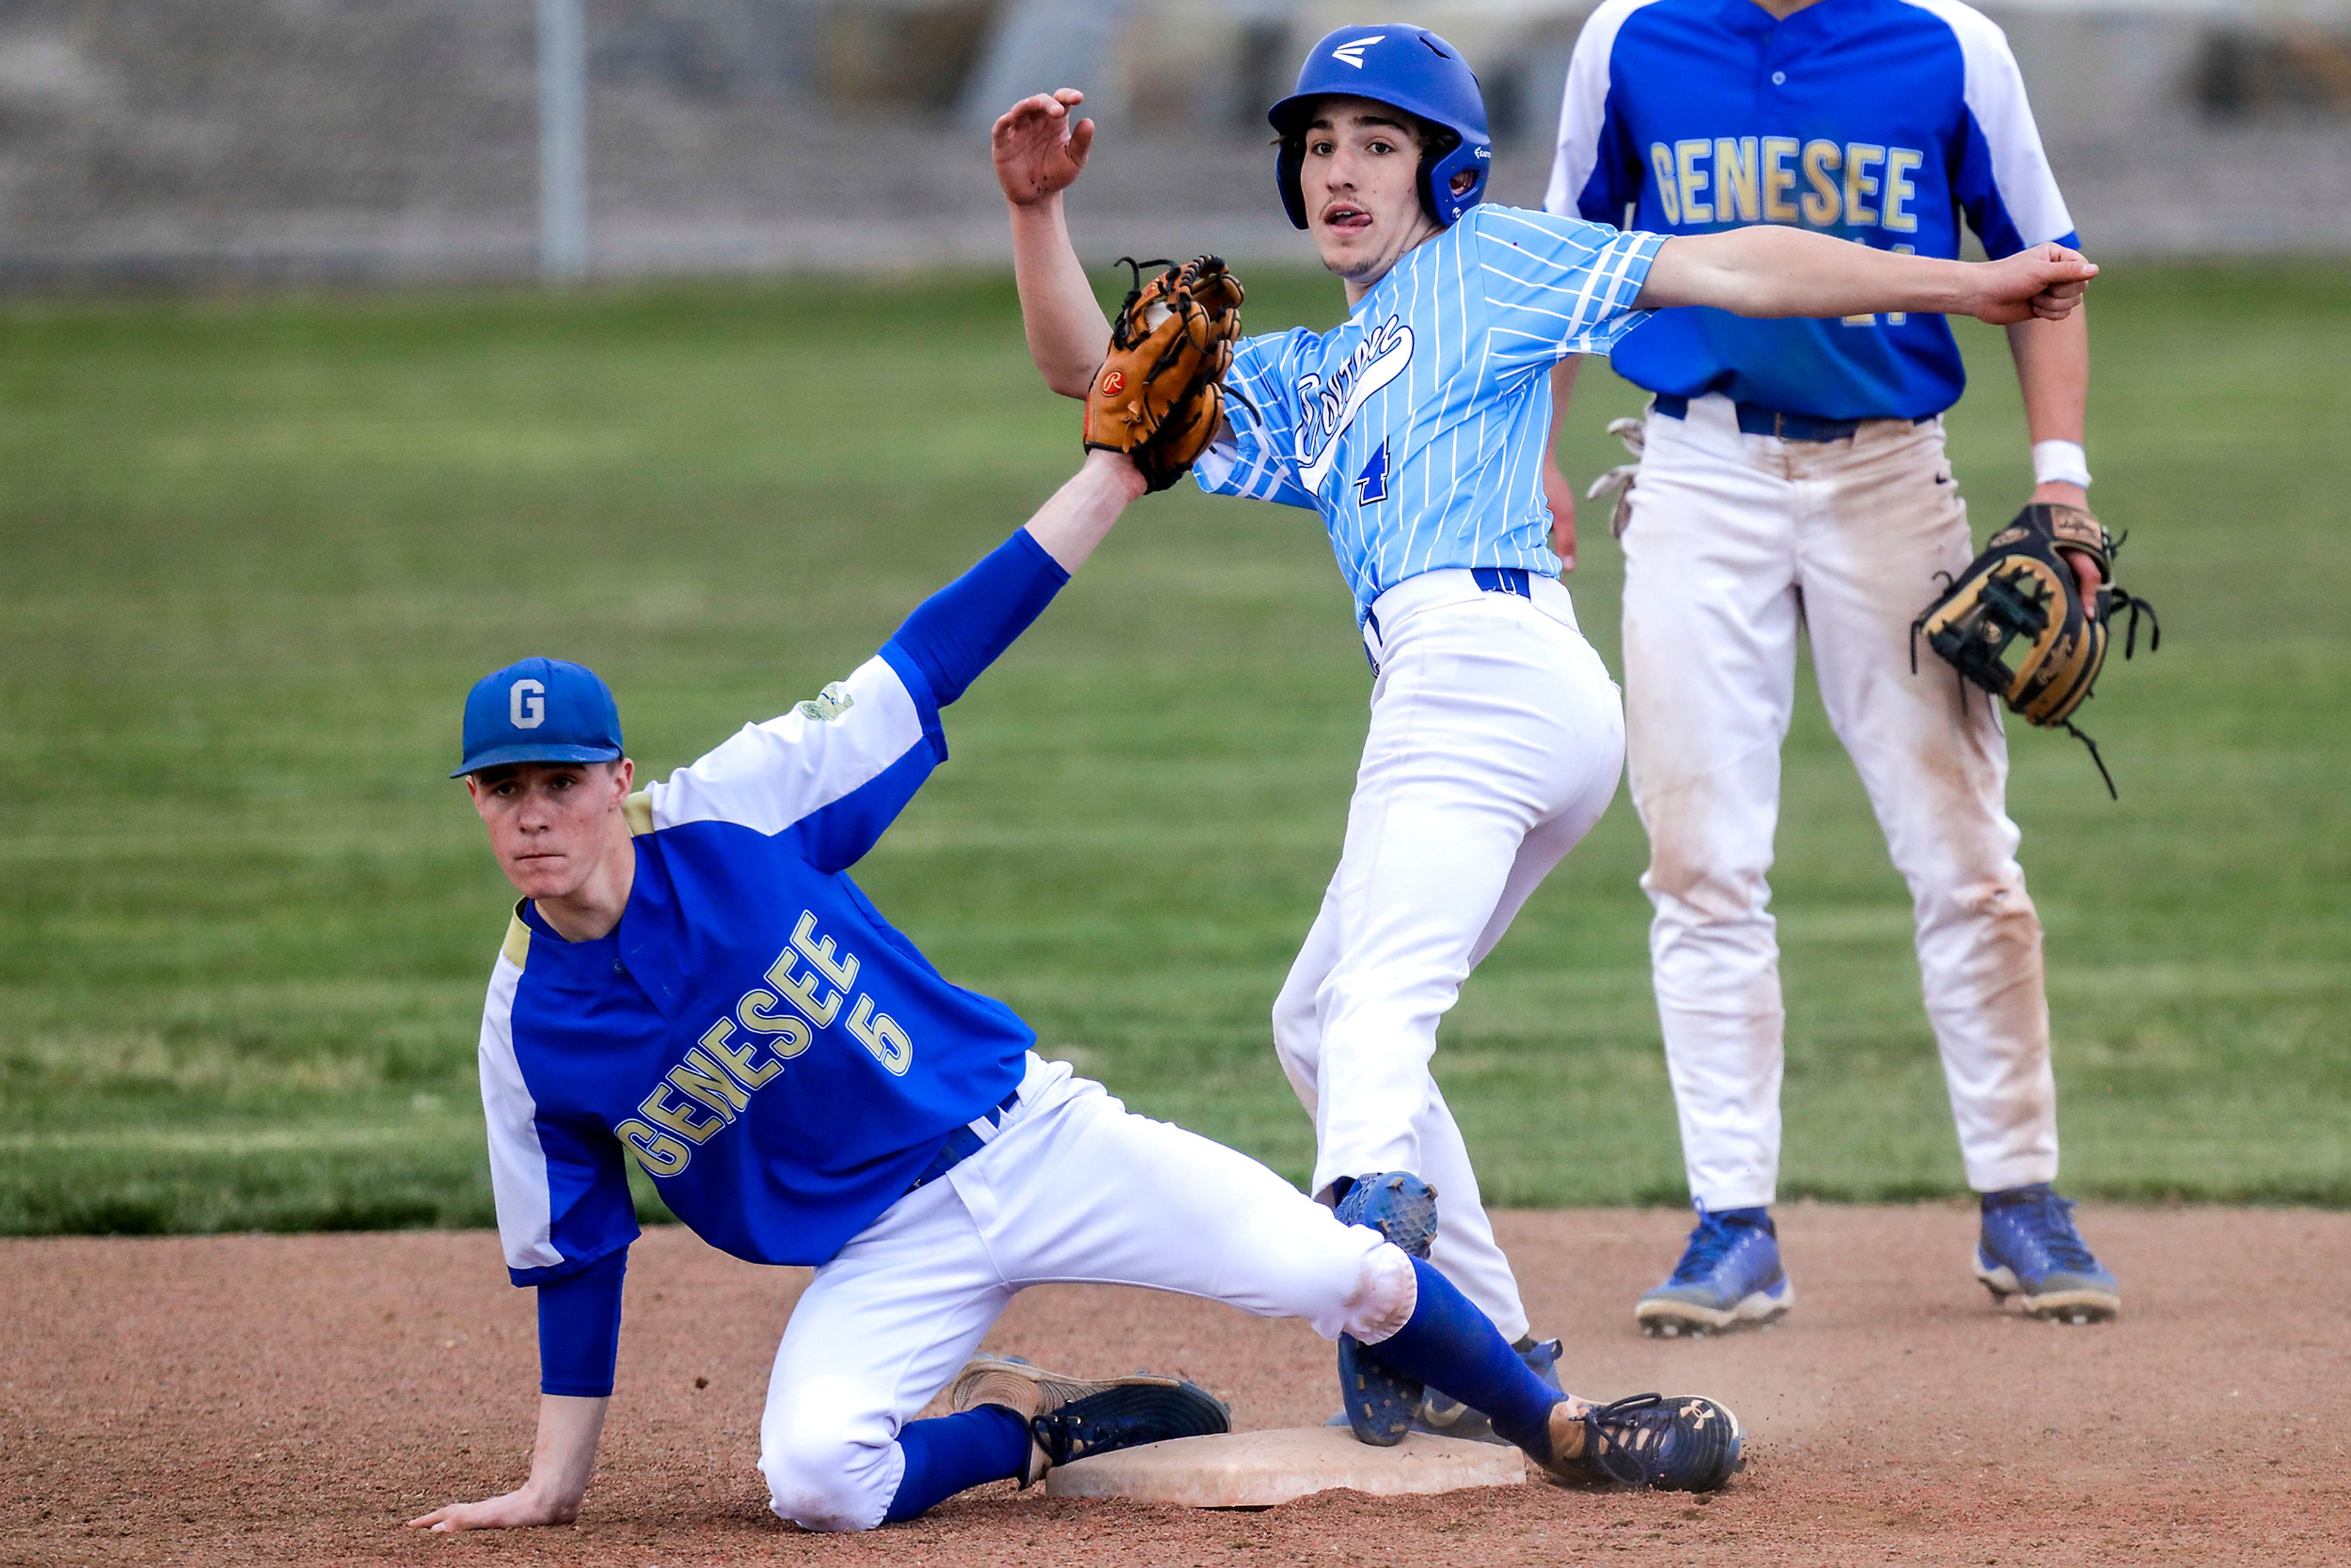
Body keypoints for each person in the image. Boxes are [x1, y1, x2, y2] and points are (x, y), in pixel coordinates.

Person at [990, 23, 2092, 1437]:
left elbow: (1742, 263)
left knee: (1379, 1009)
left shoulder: (1496, 260)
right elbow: (1094, 375)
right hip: (1485, 689)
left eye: (1380, 145)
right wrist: (1038, 212)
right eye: (1319, 146)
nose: (1341, 172)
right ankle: (1493, 1339)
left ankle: (1378, 1274)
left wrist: (1974, 284)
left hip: (1484, 669)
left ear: (1446, 175)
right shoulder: (1313, 375)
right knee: (1318, 1023)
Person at [407, 445, 1744, 1538]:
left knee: (1346, 1271)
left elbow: (931, 656)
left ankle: (1560, 1427)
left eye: (562, 782)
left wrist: (1112, 469)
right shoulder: (527, 1030)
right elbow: (575, 1256)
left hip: (1037, 1142)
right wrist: (552, 1487)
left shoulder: (734, 818)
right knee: (817, 1482)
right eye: (506, 791)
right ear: (476, 803)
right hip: (886, 1253)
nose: (538, 816)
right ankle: (1037, 1429)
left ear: (614, 778)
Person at [1540, 0, 2122, 1335]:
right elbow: (1557, 259)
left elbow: (2049, 266)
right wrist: (1531, 452)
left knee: (1964, 853)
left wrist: (2063, 485)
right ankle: (1730, 1225)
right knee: (1699, 862)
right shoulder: (1628, 38)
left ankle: (2021, 1197)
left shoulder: (1952, 43)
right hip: (1696, 470)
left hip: (1890, 478)